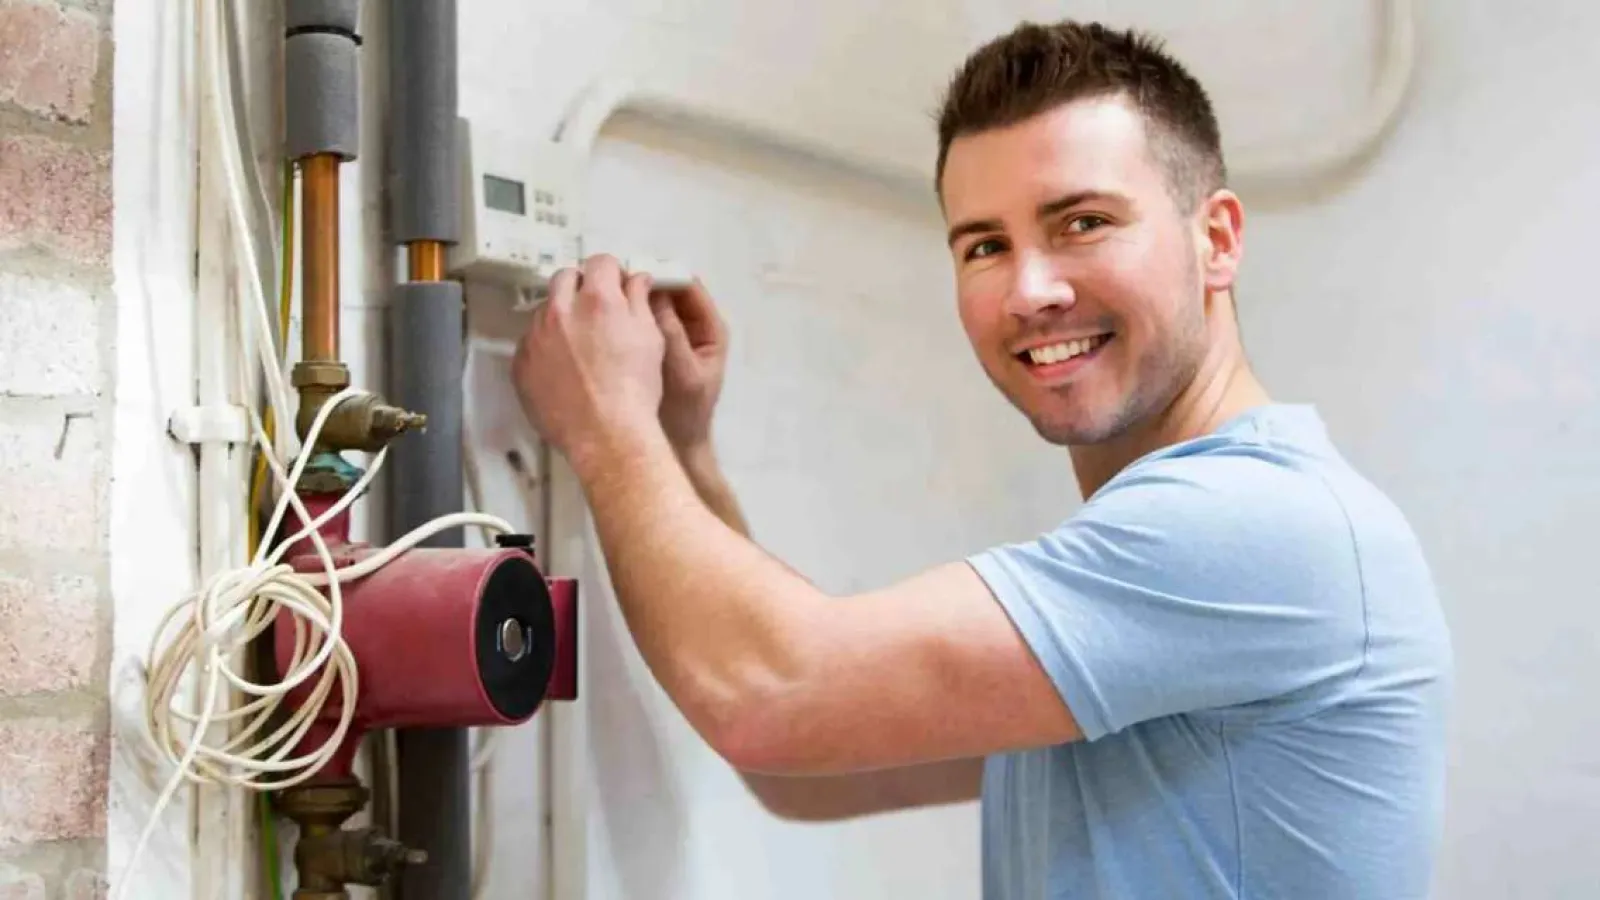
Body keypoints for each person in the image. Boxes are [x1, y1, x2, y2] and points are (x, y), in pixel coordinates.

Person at [511, 18, 1453, 900]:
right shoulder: (1158, 567)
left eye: (1082, 222)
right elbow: (802, 764)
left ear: (1216, 240)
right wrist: (679, 448)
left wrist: (606, 429)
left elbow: (771, 696)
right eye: (986, 245)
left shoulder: (1253, 526)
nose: (1031, 290)